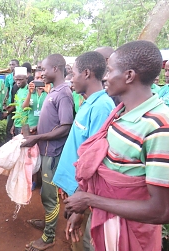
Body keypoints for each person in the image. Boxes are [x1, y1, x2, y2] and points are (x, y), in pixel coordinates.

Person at [64, 40, 169, 251]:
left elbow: (161, 211)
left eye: (110, 71)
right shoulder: (121, 111)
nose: (105, 77)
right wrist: (83, 209)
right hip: (107, 218)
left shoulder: (162, 127)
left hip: (130, 235)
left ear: (129, 76)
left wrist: (90, 200)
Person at [52, 51, 115, 251]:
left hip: (83, 192)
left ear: (87, 73)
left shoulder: (102, 107)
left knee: (83, 242)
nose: (71, 78)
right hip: (75, 188)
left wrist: (81, 206)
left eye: (74, 73)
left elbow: (95, 159)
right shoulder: (89, 102)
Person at [21, 54, 74, 251]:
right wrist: (38, 131)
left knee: (49, 195)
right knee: (45, 191)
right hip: (46, 149)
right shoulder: (54, 91)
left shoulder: (63, 93)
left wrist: (38, 138)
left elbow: (65, 127)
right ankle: (48, 222)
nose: (42, 73)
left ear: (56, 68)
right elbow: (54, 122)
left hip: (53, 152)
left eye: (44, 69)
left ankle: (49, 236)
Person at [10, 67, 29, 136]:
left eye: (20, 79)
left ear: (26, 79)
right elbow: (18, 109)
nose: (18, 82)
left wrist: (25, 127)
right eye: (16, 79)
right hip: (17, 124)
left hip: (25, 125)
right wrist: (13, 125)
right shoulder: (18, 91)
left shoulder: (29, 91)